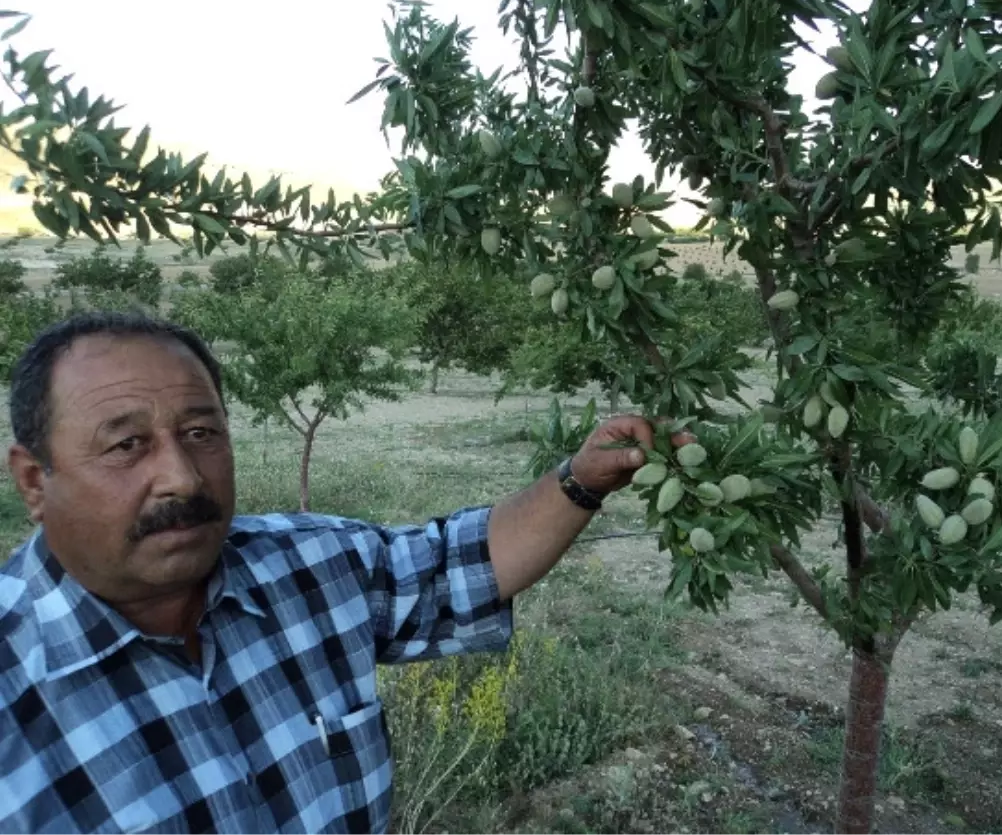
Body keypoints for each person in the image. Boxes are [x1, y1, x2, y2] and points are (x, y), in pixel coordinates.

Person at [0, 310, 683, 835]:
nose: (180, 475)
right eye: (127, 444)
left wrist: (580, 479)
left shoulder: (312, 567)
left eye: (202, 433)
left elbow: (462, 560)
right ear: (34, 480)